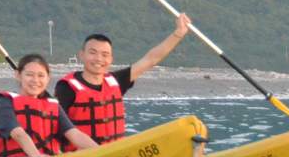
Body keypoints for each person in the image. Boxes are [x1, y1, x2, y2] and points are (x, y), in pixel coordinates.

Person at [53, 14, 193, 147]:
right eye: (93, 53)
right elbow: (56, 126)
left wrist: (178, 33)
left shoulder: (116, 81)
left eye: (105, 54)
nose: (99, 59)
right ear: (81, 55)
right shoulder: (66, 88)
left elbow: (151, 59)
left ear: (111, 59)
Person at [0, 54, 98, 157]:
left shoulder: (53, 106)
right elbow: (17, 133)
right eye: (29, 75)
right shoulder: (5, 101)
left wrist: (101, 152)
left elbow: (74, 134)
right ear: (18, 75)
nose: (35, 80)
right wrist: (36, 156)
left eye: (41, 76)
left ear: (48, 78)